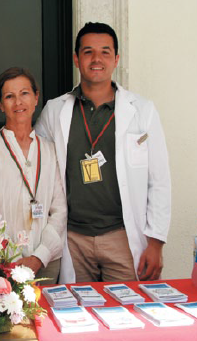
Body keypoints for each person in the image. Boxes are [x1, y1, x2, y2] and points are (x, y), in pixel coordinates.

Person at [34, 22, 171, 283]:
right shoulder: (55, 110)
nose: (97, 59)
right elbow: (29, 151)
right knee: (77, 318)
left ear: (116, 59)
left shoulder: (142, 111)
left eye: (105, 52)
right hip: (73, 239)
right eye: (88, 52)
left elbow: (160, 181)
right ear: (76, 59)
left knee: (128, 316)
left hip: (122, 237)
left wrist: (156, 243)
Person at [0, 67, 67, 284]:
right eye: (9, 96)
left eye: (24, 93)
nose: (18, 102)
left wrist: (39, 256)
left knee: (45, 318)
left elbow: (59, 209)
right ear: (0, 105)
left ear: (36, 97)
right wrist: (8, 258)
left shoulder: (51, 150)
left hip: (47, 262)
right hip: (2, 265)